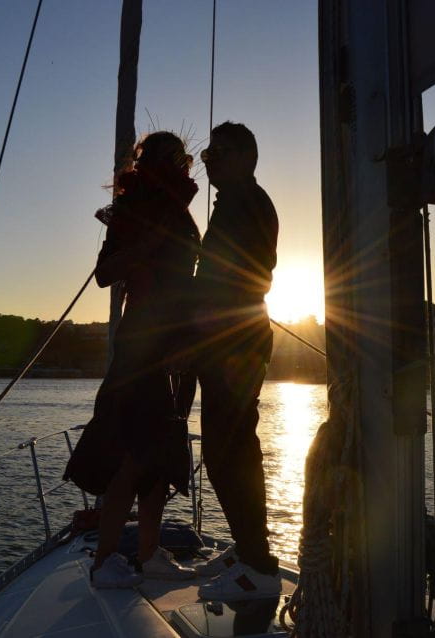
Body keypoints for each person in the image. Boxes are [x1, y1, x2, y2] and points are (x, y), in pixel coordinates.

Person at [64, 131, 201, 589]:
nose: (183, 165)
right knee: (136, 452)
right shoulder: (133, 211)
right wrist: (147, 246)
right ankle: (105, 560)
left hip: (175, 338)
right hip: (143, 340)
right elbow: (105, 273)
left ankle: (148, 553)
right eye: (175, 159)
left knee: (161, 452)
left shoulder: (179, 208)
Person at [192, 122, 281, 600]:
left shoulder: (244, 202)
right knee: (232, 448)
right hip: (235, 338)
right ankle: (250, 551)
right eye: (207, 155)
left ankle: (258, 565)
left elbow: (238, 275)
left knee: (228, 452)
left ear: (248, 156)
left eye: (219, 153)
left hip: (234, 341)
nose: (209, 162)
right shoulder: (239, 202)